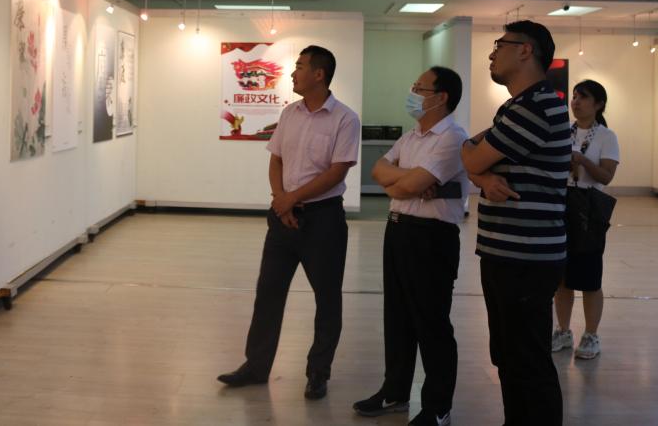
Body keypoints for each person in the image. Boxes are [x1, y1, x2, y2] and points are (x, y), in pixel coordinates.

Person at [218, 45, 361, 400]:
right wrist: (281, 200)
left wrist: (291, 198)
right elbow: (276, 159)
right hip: (283, 217)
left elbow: (337, 172)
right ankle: (256, 366)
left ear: (318, 74)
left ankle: (318, 372)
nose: (293, 73)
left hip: (323, 220)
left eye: (299, 66)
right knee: (268, 292)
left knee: (327, 299)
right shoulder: (289, 113)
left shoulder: (345, 119)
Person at [460, 21, 570, 426]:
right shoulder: (518, 107)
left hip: (526, 256)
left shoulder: (535, 107)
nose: (492, 54)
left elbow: (472, 154)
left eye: (499, 45)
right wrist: (482, 176)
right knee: (508, 355)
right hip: (506, 251)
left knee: (527, 359)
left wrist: (476, 166)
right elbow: (471, 153)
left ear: (525, 50)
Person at [353, 67, 468, 426]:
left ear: (441, 97)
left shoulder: (452, 137)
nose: (413, 93)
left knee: (432, 324)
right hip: (398, 230)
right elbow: (378, 171)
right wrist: (408, 180)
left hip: (432, 237)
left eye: (420, 88)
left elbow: (403, 184)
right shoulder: (411, 137)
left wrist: (404, 182)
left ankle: (438, 407)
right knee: (397, 318)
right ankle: (395, 392)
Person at [552, 80, 620, 360]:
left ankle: (591, 334)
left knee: (590, 276)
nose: (575, 102)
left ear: (599, 104)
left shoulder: (606, 136)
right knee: (561, 276)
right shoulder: (562, 131)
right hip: (561, 206)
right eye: (574, 96)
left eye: (583, 97)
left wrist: (581, 160)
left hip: (589, 210)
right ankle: (563, 330)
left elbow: (606, 176)